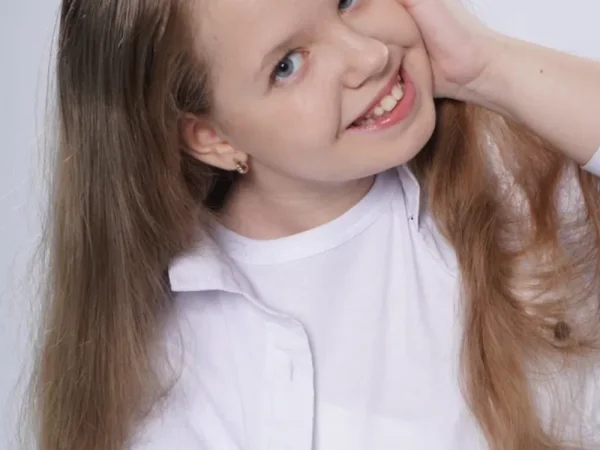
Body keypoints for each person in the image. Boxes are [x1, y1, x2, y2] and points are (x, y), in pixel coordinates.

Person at [31, 0, 600, 448]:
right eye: (287, 65)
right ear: (213, 137)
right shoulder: (158, 354)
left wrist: (486, 69)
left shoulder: (519, 185)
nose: (367, 57)